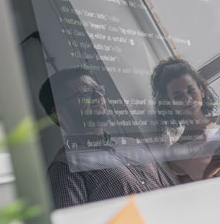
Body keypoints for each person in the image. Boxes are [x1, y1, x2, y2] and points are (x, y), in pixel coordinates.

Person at [39, 67, 174, 209]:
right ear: (59, 112)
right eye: (86, 93)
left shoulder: (133, 144)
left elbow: (172, 194)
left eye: (99, 90)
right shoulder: (63, 167)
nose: (99, 97)